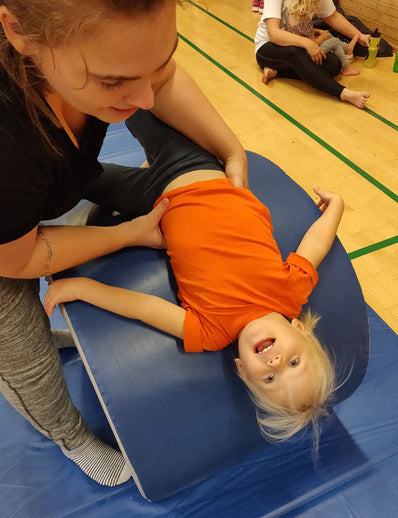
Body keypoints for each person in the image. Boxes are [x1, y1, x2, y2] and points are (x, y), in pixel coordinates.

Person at [0, 0, 247, 487]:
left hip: (42, 179)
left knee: (150, 189)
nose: (145, 97)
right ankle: (70, 437)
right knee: (17, 337)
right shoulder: (10, 140)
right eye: (112, 82)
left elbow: (166, 81)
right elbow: (17, 258)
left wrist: (230, 150)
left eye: (154, 64)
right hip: (8, 244)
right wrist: (126, 234)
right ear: (18, 32)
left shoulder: (94, 68)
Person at [45, 111, 344, 444]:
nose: (275, 362)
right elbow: (315, 245)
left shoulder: (210, 333)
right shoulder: (291, 291)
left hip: (150, 200)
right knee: (129, 104)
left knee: (70, 176)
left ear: (242, 369)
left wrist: (83, 288)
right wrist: (336, 208)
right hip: (193, 167)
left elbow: (144, 307)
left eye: (270, 379)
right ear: (300, 328)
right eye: (294, 362)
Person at [255, 0, 371, 108]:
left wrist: (359, 36)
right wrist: (308, 43)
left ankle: (277, 72)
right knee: (294, 52)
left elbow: (333, 16)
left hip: (298, 45)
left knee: (334, 64)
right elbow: (274, 34)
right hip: (268, 47)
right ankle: (343, 93)